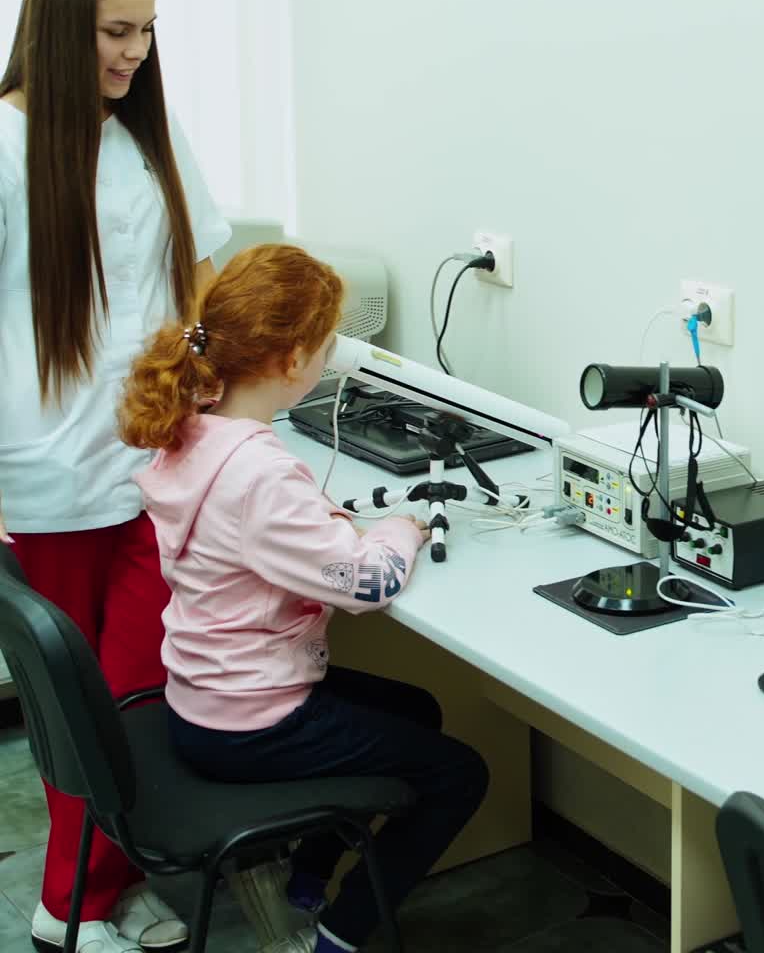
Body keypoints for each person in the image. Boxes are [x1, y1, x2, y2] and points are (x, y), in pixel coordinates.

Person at [118, 243, 489, 953]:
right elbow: (370, 585)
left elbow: (263, 538)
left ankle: (307, 880)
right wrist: (399, 529)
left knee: (418, 709)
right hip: (254, 723)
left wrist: (326, 526)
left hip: (201, 696)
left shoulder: (195, 431)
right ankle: (342, 933)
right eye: (326, 346)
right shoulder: (257, 472)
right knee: (461, 774)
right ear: (294, 363)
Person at [0, 0, 230, 953]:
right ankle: (68, 903)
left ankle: (106, 879)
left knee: (140, 689)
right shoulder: (6, 145)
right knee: (74, 712)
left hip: (153, 459)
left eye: (144, 29)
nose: (132, 52)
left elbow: (197, 278)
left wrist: (192, 358)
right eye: (111, 31)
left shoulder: (147, 132)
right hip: (44, 473)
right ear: (58, 27)